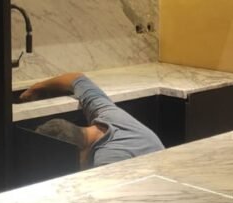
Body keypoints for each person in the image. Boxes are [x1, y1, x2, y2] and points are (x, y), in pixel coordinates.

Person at [19, 72, 164, 168]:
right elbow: (76, 78)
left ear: (78, 153)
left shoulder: (107, 161)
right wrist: (36, 88)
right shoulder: (107, 113)